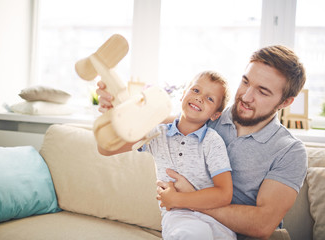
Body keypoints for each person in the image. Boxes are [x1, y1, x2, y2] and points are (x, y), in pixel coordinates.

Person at [97, 45, 308, 240]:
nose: (246, 96)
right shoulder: (203, 119)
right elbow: (108, 148)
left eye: (262, 91)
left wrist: (186, 199)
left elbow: (262, 225)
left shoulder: (289, 151)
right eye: (245, 82)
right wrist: (114, 116)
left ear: (285, 102)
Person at [98, 71, 237, 240]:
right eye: (195, 90)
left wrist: (178, 198)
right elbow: (106, 149)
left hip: (215, 218)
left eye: (210, 99)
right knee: (193, 234)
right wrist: (110, 115)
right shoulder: (157, 134)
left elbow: (224, 194)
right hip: (179, 218)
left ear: (215, 114)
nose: (200, 98)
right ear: (182, 95)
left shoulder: (212, 141)